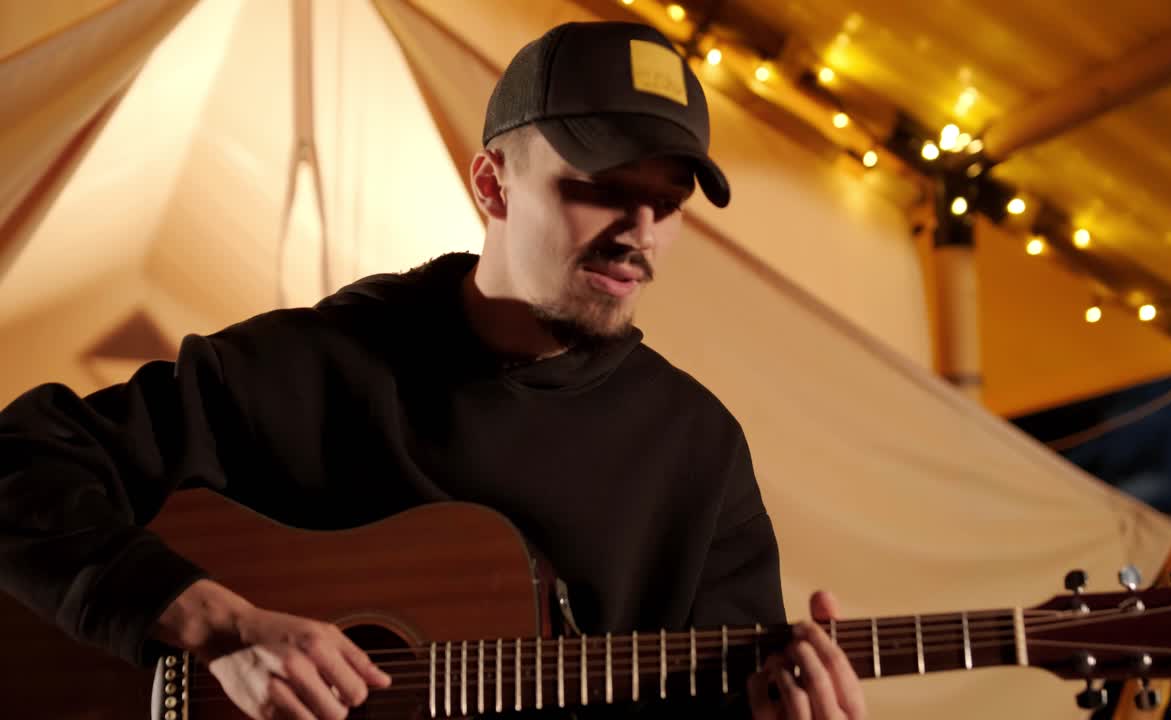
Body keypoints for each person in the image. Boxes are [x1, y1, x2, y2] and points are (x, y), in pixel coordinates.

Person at [0, 19, 867, 720]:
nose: (640, 234)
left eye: (667, 206)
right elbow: (18, 465)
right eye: (601, 188)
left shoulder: (699, 454)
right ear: (492, 185)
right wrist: (216, 626)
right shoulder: (316, 363)